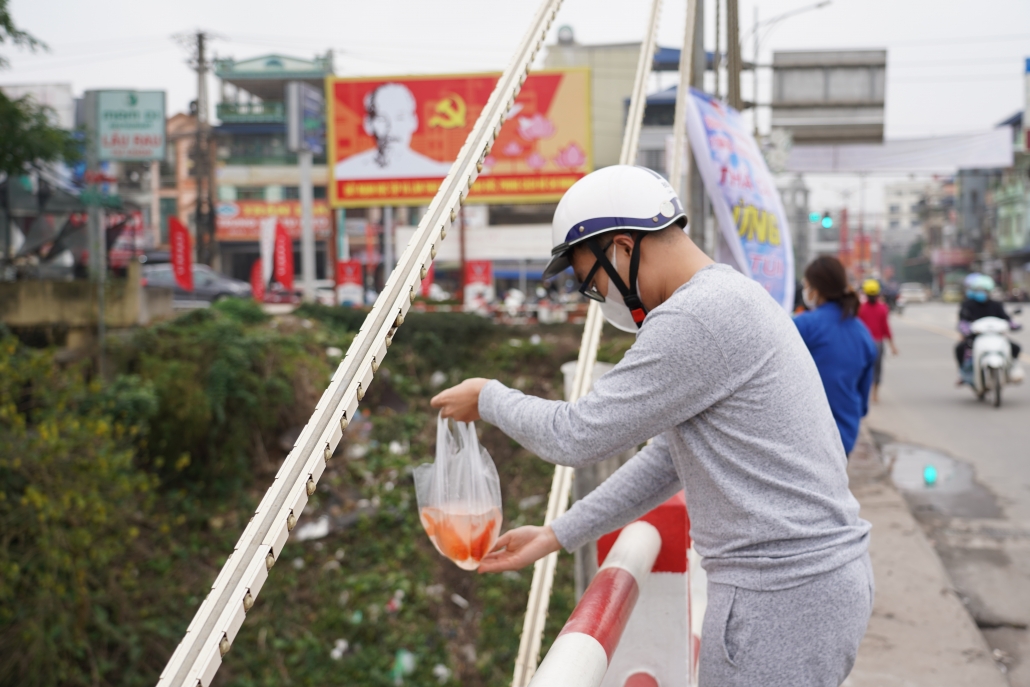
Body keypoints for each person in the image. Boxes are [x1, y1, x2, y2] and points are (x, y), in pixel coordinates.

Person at [431, 165, 872, 687]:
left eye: (591, 282)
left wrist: (489, 398)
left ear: (621, 247)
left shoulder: (695, 318)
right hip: (809, 585)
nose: (597, 297)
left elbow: (576, 434)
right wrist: (557, 534)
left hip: (778, 594)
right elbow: (667, 461)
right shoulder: (729, 296)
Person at [793, 259, 878, 455]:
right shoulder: (862, 334)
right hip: (845, 437)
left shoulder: (804, 326)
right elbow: (863, 402)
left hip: (807, 438)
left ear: (816, 289)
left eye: (806, 285)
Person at [334, 83, 454, 180]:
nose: (391, 129)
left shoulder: (434, 171)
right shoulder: (344, 171)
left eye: (400, 118)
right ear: (368, 124)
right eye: (382, 119)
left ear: (413, 121)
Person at [955, 273, 1023, 383]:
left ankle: (1012, 368)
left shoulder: (996, 305)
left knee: (1015, 347)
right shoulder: (968, 305)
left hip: (995, 336)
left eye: (984, 290)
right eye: (979, 290)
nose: (981, 293)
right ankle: (962, 373)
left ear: (989, 291)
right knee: (960, 348)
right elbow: (963, 321)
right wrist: (965, 329)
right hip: (976, 337)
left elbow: (1006, 318)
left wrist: (1014, 325)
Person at [857, 279, 898, 404]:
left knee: (864, 368)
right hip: (877, 343)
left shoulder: (861, 308)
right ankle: (874, 394)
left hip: (864, 343)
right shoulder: (882, 308)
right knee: (877, 368)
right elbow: (886, 328)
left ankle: (868, 392)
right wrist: (892, 346)